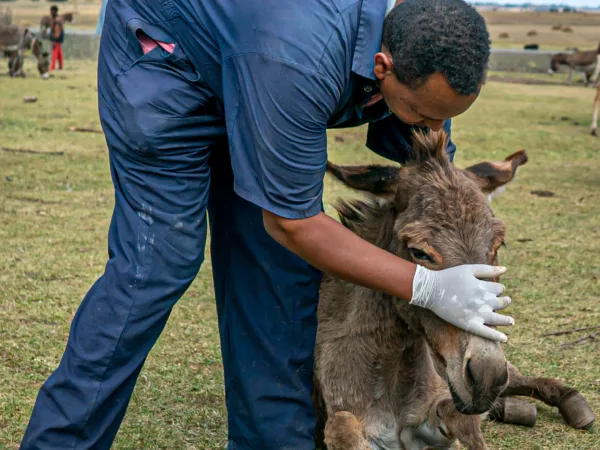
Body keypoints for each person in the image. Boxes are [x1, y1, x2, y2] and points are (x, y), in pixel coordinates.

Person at [21, 0, 514, 448]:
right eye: (424, 115)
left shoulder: (411, 48)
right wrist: (425, 285)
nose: (432, 130)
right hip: (168, 64)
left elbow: (428, 165)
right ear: (381, 66)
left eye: (444, 120)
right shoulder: (298, 59)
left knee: (278, 275)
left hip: (257, 63)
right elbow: (293, 223)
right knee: (156, 266)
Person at [49, 5, 64, 71]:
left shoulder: (57, 20)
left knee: (54, 53)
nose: (50, 12)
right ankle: (60, 67)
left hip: (56, 40)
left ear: (54, 11)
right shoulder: (58, 19)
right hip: (58, 40)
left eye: (51, 11)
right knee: (59, 53)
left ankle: (52, 67)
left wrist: (54, 40)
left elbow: (57, 32)